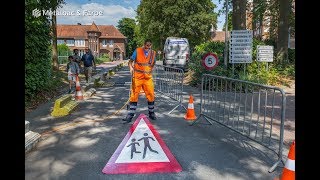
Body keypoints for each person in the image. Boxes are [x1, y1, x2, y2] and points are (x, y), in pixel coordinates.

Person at [122, 39, 157, 123]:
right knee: (134, 95)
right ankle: (130, 115)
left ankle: (151, 113)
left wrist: (150, 72)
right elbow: (130, 61)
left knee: (151, 95)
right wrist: (130, 68)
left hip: (147, 78)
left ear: (151, 45)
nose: (148, 47)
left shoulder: (153, 53)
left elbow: (153, 64)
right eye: (147, 45)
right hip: (137, 77)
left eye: (149, 45)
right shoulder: (137, 51)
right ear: (144, 44)